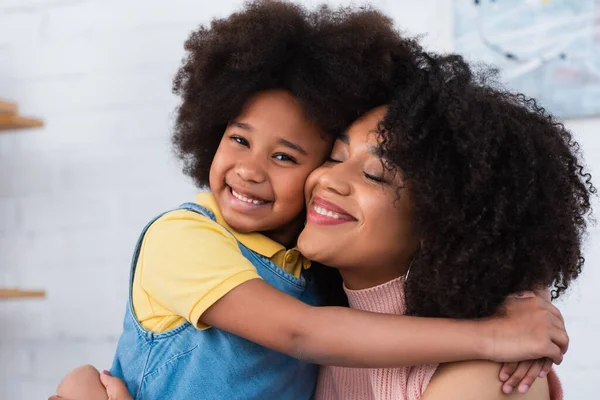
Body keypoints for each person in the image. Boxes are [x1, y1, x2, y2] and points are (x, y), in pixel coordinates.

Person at [51, 2, 569, 400]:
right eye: (335, 155)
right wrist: (496, 331)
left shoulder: (315, 278)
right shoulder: (227, 250)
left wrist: (524, 299)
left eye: (373, 173)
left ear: (443, 213)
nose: (327, 181)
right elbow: (302, 332)